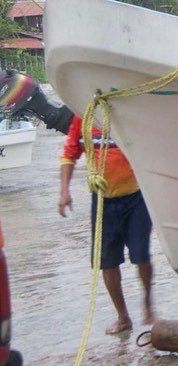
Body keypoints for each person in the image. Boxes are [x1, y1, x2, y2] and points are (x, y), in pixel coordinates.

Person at [59, 116, 155, 334]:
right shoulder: (80, 119)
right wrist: (64, 191)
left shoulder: (122, 114)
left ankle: (148, 300)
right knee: (107, 261)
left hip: (135, 197)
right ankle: (123, 317)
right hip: (102, 199)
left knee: (141, 255)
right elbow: (68, 155)